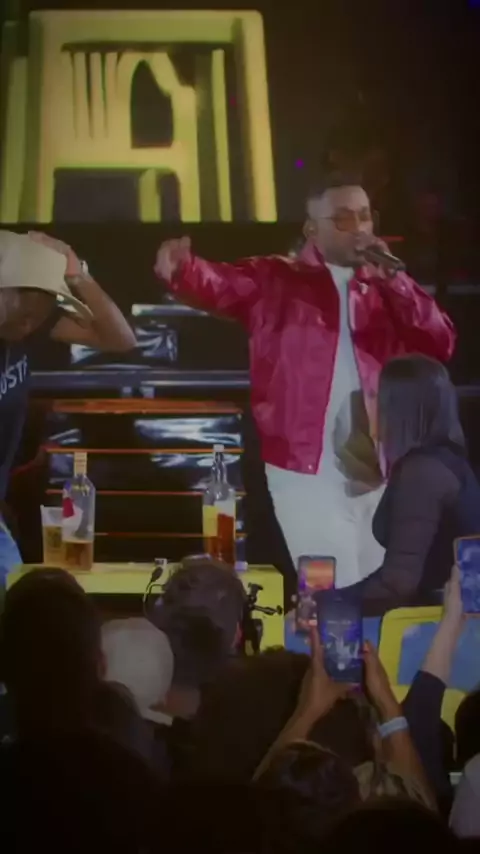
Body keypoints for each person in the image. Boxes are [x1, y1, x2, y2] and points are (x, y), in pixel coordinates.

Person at [154, 173, 455, 589]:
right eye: (344, 219)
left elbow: (440, 341)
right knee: (333, 592)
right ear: (313, 229)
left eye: (365, 216)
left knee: (381, 594)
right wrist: (182, 270)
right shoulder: (277, 279)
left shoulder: (386, 289)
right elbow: (219, 284)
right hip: (306, 472)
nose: (359, 228)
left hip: (379, 467)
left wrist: (396, 282)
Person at [0, 230, 136, 581]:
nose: (31, 322)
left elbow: (120, 338)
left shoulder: (28, 327)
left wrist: (78, 275)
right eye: (26, 310)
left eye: (40, 312)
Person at [337, 355, 480, 613]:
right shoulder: (445, 462)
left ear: (399, 407)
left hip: (442, 625)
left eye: (376, 397)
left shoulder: (422, 472)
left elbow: (397, 585)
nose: (369, 406)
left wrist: (323, 603)